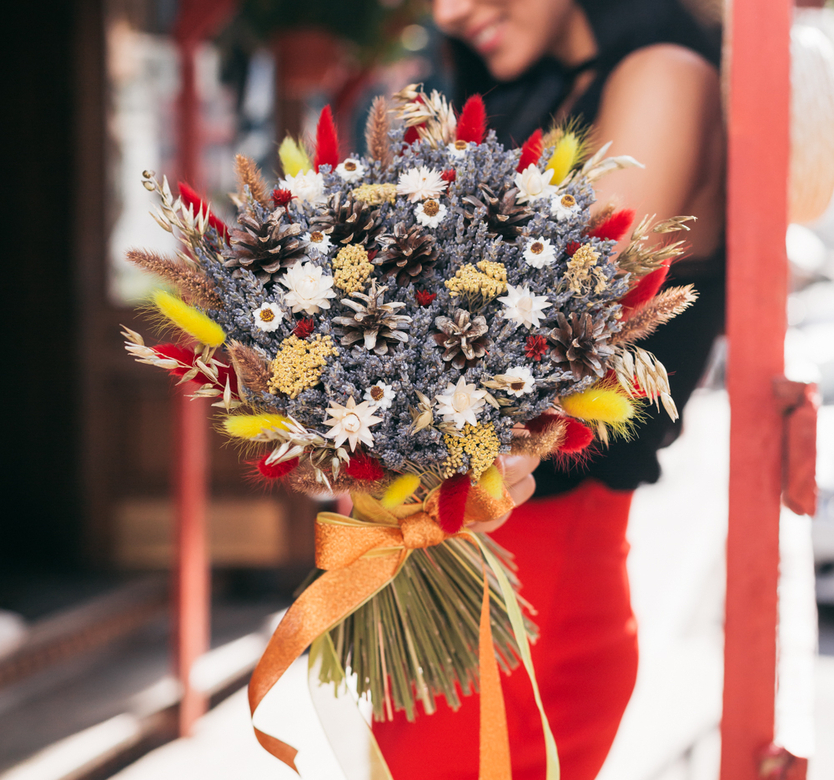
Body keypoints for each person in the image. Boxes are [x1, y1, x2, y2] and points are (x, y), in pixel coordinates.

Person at [374, 1, 726, 778]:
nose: (451, 12)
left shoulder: (664, 77)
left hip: (529, 591)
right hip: (434, 567)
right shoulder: (541, 91)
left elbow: (548, 333)